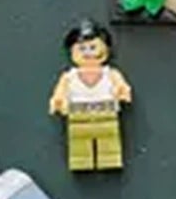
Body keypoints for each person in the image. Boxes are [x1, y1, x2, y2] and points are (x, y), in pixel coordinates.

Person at [48, 19, 131, 173]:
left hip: (106, 113)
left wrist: (121, 90)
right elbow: (61, 91)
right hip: (78, 115)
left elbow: (121, 85)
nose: (88, 53)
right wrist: (59, 100)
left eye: (93, 47)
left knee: (108, 140)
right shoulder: (70, 76)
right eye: (82, 48)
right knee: (79, 144)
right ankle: (81, 161)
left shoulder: (110, 73)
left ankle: (110, 159)